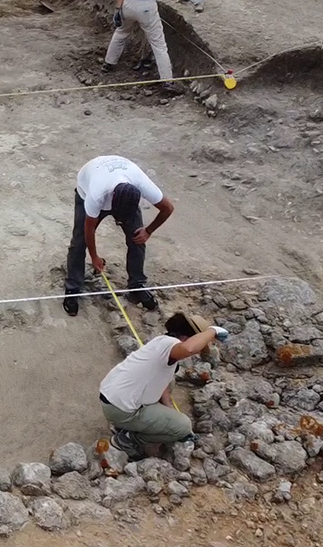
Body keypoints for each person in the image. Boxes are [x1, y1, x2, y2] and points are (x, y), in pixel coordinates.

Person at [99, 312, 227, 459]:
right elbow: (188, 349)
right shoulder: (170, 345)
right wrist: (213, 331)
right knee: (183, 426)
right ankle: (127, 439)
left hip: (112, 397)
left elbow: (163, 380)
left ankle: (126, 424)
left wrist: (168, 407)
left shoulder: (160, 342)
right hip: (121, 409)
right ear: (186, 338)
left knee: (170, 382)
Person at [63, 156, 174, 315]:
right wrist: (94, 257)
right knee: (79, 243)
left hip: (121, 185)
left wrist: (148, 231)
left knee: (137, 237)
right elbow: (89, 229)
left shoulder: (140, 184)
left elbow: (168, 208)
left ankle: (137, 285)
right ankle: (73, 287)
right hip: (86, 184)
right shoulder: (96, 195)